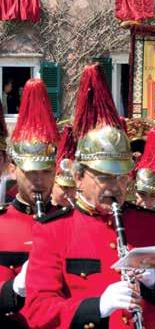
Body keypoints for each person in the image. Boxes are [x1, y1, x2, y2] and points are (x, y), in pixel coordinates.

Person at [25, 63, 155, 329]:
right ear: (79, 177)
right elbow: (38, 310)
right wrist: (98, 307)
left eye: (121, 177)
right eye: (104, 177)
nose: (115, 186)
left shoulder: (152, 225)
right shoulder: (53, 231)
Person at [0, 78, 58, 327]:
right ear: (13, 170)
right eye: (31, 173)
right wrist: (16, 286)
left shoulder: (69, 220)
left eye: (46, 172)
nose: (39, 181)